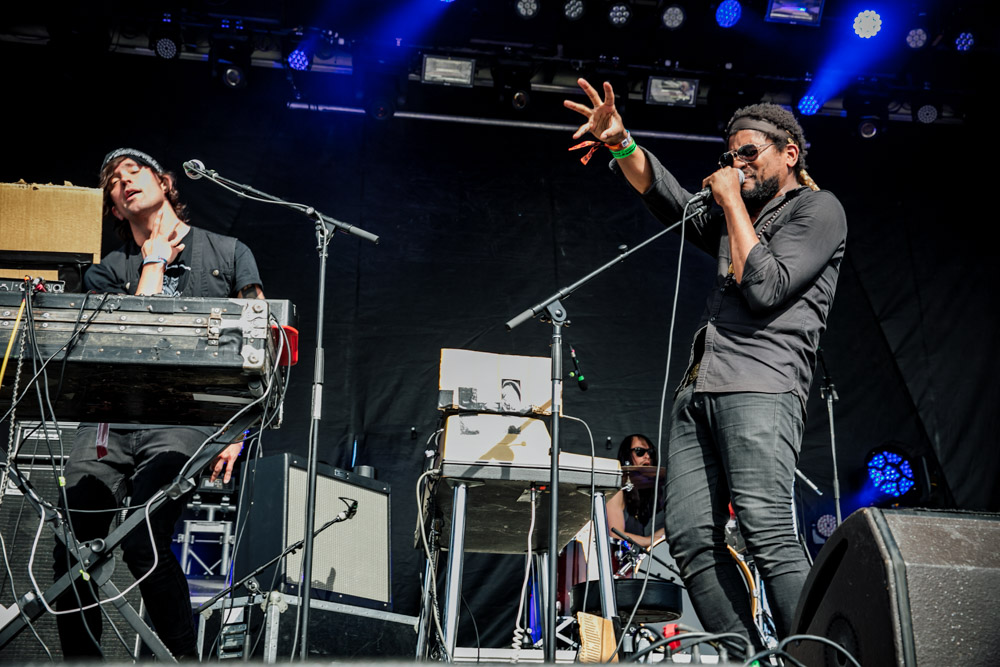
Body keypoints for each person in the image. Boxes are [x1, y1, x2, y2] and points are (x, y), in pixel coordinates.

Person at [565, 80, 847, 648]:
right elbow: (668, 196)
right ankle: (748, 659)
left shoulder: (818, 210)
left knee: (766, 531)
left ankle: (816, 660)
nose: (738, 165)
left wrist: (732, 201)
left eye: (750, 154)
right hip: (699, 391)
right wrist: (622, 143)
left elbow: (766, 287)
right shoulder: (732, 216)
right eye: (731, 156)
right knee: (691, 538)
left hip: (762, 386)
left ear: (789, 154)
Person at [52, 148, 264, 658]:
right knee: (70, 548)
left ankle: (179, 659)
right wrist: (152, 261)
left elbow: (264, 349)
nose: (124, 183)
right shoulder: (107, 271)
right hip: (109, 422)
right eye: (113, 184)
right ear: (115, 210)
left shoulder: (230, 252)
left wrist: (238, 433)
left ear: (164, 182)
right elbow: (129, 339)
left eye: (134, 173)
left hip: (184, 420)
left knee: (143, 535)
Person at [606, 434, 664, 550]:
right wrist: (650, 541)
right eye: (639, 451)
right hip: (617, 561)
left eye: (650, 452)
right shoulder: (617, 491)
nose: (647, 456)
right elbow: (616, 534)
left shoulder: (644, 492)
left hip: (634, 561)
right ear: (627, 456)